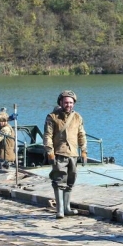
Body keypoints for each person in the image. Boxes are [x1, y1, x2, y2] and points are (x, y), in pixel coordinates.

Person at [43, 90, 87, 219]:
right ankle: (60, 210)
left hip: (73, 153)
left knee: (70, 180)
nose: (69, 105)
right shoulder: (52, 117)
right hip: (59, 153)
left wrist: (83, 151)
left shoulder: (78, 117)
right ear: (60, 102)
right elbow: (48, 136)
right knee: (59, 181)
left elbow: (81, 134)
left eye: (71, 102)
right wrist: (50, 152)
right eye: (66, 102)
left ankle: (67, 208)